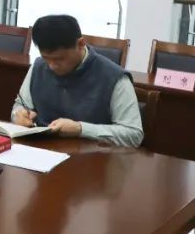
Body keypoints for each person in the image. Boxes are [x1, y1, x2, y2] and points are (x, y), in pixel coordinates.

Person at [11, 15, 143, 147]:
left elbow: (134, 134)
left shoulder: (115, 78)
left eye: (59, 59)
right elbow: (20, 106)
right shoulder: (38, 66)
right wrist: (18, 115)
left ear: (80, 44)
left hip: (93, 155)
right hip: (41, 151)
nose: (51, 66)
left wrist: (80, 129)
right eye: (46, 58)